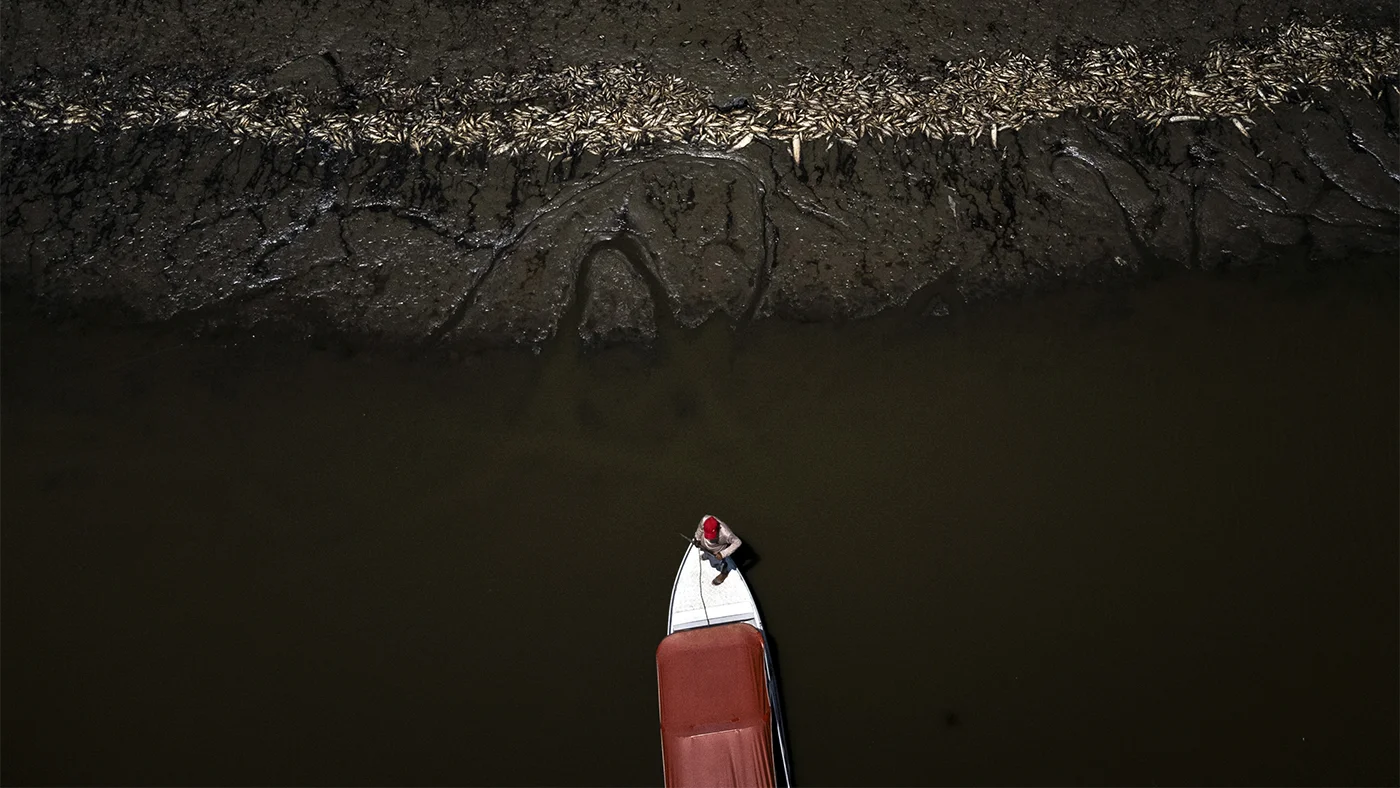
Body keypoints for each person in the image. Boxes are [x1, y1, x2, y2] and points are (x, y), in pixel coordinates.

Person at [693, 515, 742, 585]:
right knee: (706, 552)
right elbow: (700, 529)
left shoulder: (726, 534)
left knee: (715, 564)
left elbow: (737, 542)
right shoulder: (705, 519)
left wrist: (723, 554)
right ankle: (707, 555)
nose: (709, 538)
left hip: (717, 551)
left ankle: (724, 573)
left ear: (718, 529)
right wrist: (697, 538)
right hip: (704, 545)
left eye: (712, 535)